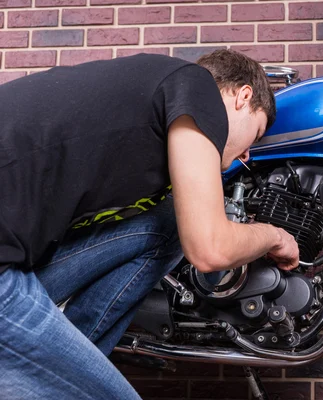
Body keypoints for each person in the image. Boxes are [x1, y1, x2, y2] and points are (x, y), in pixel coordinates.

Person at [0, 49, 300, 399]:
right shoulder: (196, 86)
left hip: (19, 262)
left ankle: (67, 362)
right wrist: (274, 235)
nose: (247, 155)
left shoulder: (144, 112)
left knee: (169, 220)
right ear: (242, 96)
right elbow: (210, 248)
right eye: (257, 132)